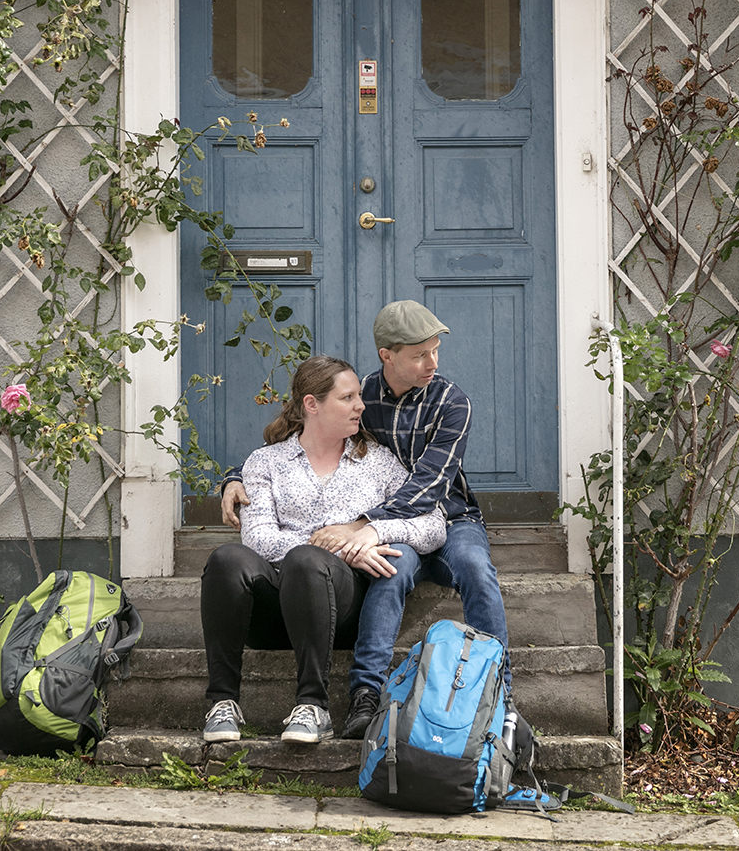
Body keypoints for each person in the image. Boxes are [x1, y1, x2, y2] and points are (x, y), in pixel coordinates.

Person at [220, 300, 510, 741]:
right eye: (420, 354)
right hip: (392, 530)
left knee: (474, 568)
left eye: (436, 351)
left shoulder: (452, 402)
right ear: (387, 356)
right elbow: (297, 436)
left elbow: (429, 490)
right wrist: (236, 476)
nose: (432, 362)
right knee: (389, 572)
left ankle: (499, 691)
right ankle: (365, 694)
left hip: (448, 515)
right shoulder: (362, 397)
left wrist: (364, 527)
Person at [199, 355, 447, 745]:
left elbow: (433, 524)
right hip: (277, 612)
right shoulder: (266, 462)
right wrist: (337, 545)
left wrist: (369, 533)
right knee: (226, 559)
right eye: (347, 398)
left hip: (342, 612)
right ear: (312, 404)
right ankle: (222, 702)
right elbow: (258, 538)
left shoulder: (378, 463)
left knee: (307, 560)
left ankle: (313, 705)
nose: (360, 406)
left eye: (359, 397)